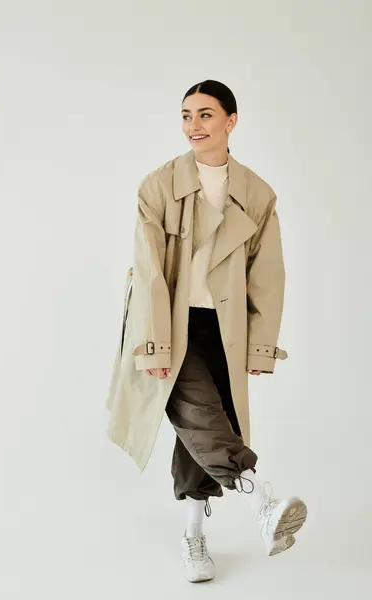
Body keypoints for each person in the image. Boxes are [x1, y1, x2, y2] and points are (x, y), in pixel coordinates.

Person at [106, 79, 307, 583]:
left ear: (231, 121)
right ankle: (261, 499)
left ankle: (194, 537)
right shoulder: (159, 186)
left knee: (202, 430)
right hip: (169, 323)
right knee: (199, 412)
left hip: (225, 326)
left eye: (205, 115)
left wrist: (261, 344)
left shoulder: (257, 194)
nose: (193, 126)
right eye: (186, 115)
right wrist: (152, 342)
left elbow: (268, 272)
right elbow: (149, 268)